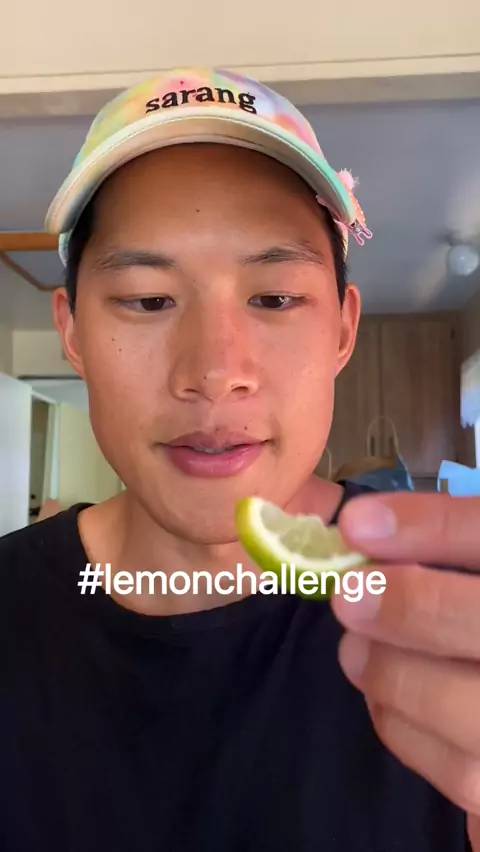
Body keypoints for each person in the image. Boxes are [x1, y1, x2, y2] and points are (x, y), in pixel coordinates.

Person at [0, 67, 479, 852]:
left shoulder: (453, 616)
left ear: (342, 329)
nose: (216, 372)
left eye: (274, 298)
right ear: (72, 331)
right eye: (149, 300)